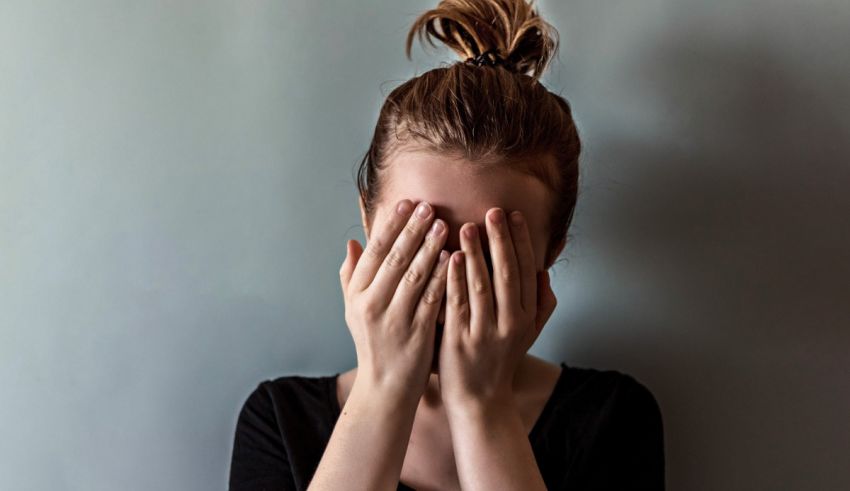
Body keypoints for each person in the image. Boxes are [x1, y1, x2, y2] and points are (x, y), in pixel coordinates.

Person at [229, 0, 665, 489]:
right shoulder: (278, 420)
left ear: (551, 251)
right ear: (369, 225)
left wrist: (481, 405)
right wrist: (384, 388)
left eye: (487, 256)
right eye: (420, 243)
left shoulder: (612, 417)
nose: (449, 291)